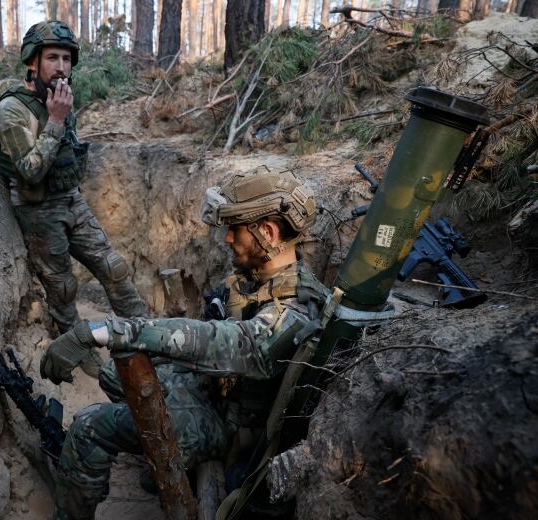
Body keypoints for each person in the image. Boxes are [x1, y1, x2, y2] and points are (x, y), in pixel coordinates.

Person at [40, 166, 330, 520]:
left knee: (88, 426)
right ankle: (146, 459)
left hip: (229, 428)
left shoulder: (295, 310)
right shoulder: (258, 279)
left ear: (267, 232)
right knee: (113, 377)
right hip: (212, 394)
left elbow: (219, 340)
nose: (226, 239)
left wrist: (105, 330)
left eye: (234, 229)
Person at [0, 20, 148, 341]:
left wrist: (59, 117)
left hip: (70, 200)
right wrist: (56, 120)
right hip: (37, 210)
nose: (61, 67)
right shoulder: (12, 109)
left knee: (114, 267)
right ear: (33, 62)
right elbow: (30, 171)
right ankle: (74, 348)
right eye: (52, 58)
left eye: (66, 59)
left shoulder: (58, 96)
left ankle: (147, 332)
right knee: (62, 287)